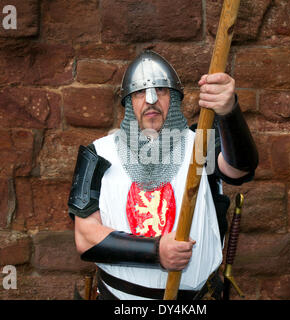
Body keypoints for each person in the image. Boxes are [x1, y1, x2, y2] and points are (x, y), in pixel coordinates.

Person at [68, 50, 258, 300]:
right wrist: (156, 251)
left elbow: (240, 167)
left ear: (174, 99)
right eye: (139, 92)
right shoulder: (99, 153)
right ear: (129, 102)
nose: (150, 99)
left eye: (161, 90)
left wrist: (228, 110)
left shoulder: (200, 146)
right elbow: (85, 237)